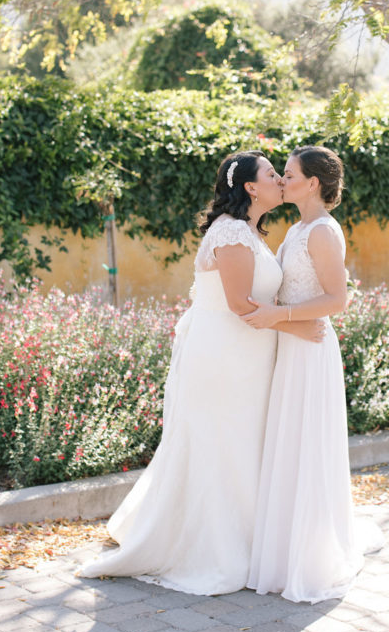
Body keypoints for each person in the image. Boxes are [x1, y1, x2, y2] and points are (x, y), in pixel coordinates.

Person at [78, 150, 323, 594]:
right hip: (224, 355)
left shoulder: (252, 231)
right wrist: (302, 326)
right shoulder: (231, 233)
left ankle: (249, 541)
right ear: (250, 187)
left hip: (247, 353)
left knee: (241, 446)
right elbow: (240, 304)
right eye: (272, 175)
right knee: (222, 445)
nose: (280, 181)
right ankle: (218, 548)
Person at [244, 145, 383, 603]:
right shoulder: (297, 229)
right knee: (289, 444)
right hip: (291, 347)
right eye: (281, 174)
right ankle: (284, 549)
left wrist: (278, 316)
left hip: (310, 350)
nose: (281, 181)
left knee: (307, 445)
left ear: (312, 184)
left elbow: (337, 300)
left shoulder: (323, 232)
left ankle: (310, 554)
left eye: (288, 174)